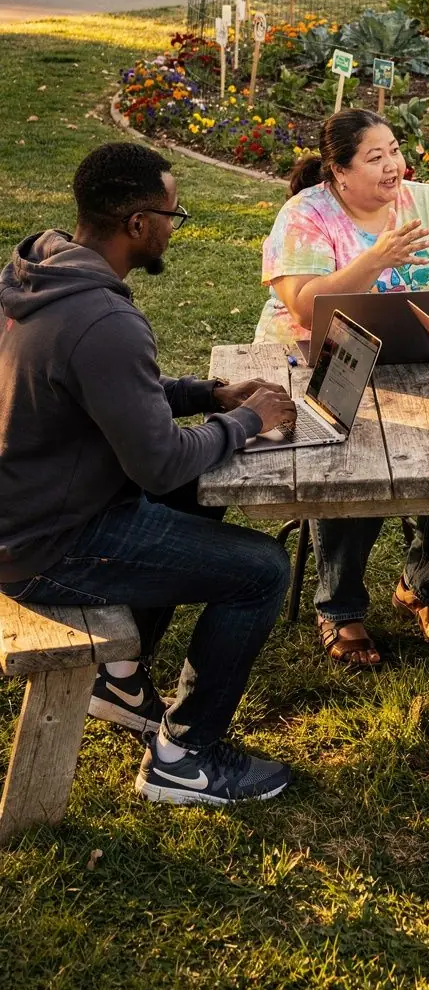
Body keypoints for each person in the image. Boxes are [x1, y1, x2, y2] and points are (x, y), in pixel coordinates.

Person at [0, 142, 299, 807]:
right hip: (51, 546)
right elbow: (158, 461)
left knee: (199, 496)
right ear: (138, 223)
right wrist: (251, 422)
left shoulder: (42, 272)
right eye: (173, 213)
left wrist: (206, 396)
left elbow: (109, 388)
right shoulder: (103, 318)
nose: (176, 224)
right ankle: (184, 757)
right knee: (260, 572)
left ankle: (122, 682)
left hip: (30, 511)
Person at [256, 109, 429, 667]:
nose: (393, 165)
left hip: (419, 360)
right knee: (347, 466)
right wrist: (376, 258)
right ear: (338, 172)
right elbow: (306, 307)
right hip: (323, 364)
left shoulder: (427, 201)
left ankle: (424, 587)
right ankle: (340, 608)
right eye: (375, 156)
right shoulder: (306, 214)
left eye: (395, 150)